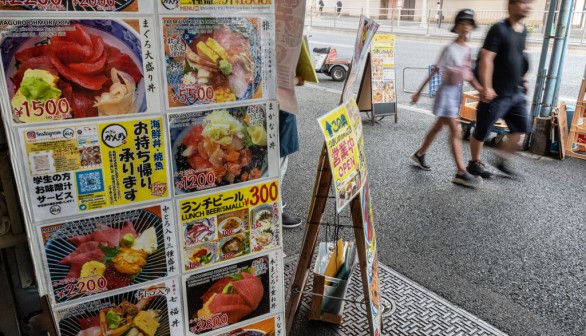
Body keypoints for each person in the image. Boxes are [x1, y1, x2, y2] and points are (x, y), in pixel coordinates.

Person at [411, 9, 483, 188]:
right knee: (455, 130)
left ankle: (419, 154)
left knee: (437, 127)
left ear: (471, 27)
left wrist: (481, 89)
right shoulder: (449, 49)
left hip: (456, 93)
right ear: (456, 27)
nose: (465, 27)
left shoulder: (468, 50)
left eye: (468, 24)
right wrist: (418, 91)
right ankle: (460, 171)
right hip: (445, 93)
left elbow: (469, 75)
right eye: (462, 23)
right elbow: (435, 70)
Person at [467, 0, 532, 179]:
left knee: (521, 127)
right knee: (482, 130)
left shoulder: (523, 30)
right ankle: (474, 163)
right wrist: (486, 87)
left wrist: (522, 79)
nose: (528, 6)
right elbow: (487, 58)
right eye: (523, 2)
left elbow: (517, 56)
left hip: (515, 92)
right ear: (511, 6)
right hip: (496, 93)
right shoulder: (499, 29)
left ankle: (502, 160)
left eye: (530, 3)